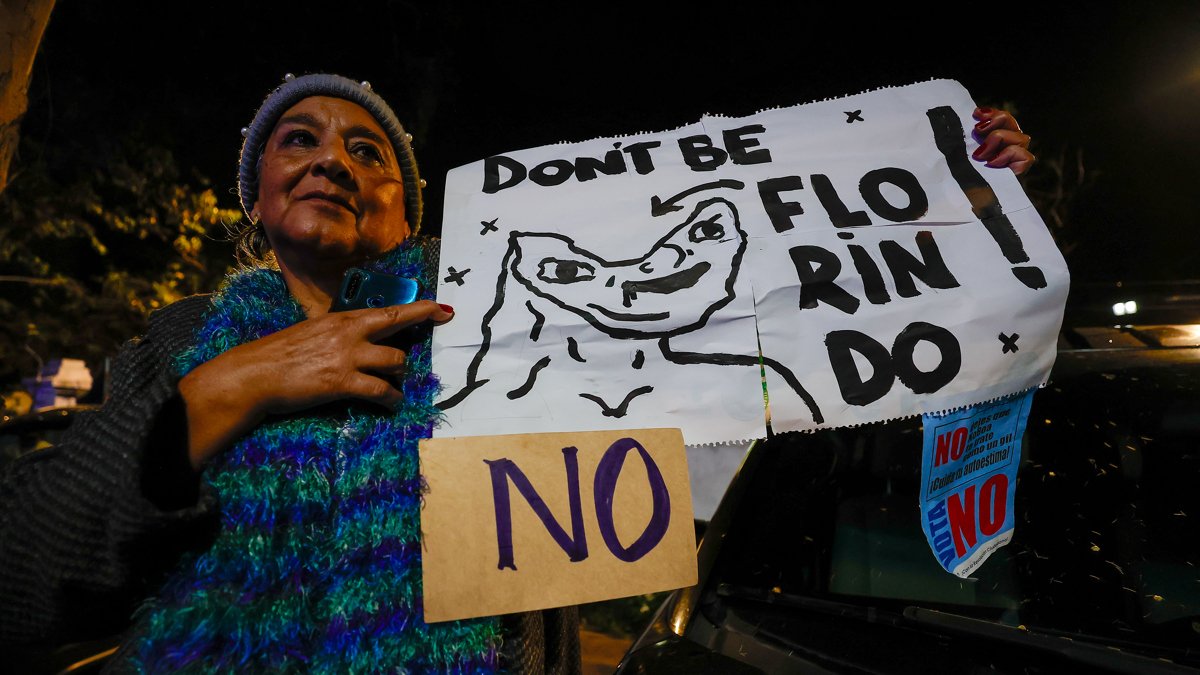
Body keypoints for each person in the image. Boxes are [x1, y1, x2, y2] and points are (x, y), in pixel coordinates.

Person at [0, 73, 1032, 672]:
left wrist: (963, 207)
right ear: (258, 195)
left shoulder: (506, 328)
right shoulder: (183, 345)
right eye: (299, 140)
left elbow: (782, 325)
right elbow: (23, 578)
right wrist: (227, 392)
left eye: (370, 152)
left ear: (408, 210)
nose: (332, 160)